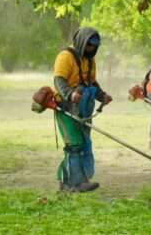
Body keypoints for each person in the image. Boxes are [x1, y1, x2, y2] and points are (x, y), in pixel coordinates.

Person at [53, 27, 112, 192]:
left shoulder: (90, 61)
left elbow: (91, 83)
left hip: (85, 108)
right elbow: (59, 80)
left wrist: (102, 96)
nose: (91, 49)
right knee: (75, 145)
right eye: (88, 45)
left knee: (84, 143)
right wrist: (70, 94)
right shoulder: (65, 57)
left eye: (94, 46)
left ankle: (69, 182)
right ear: (81, 41)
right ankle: (76, 183)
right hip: (66, 107)